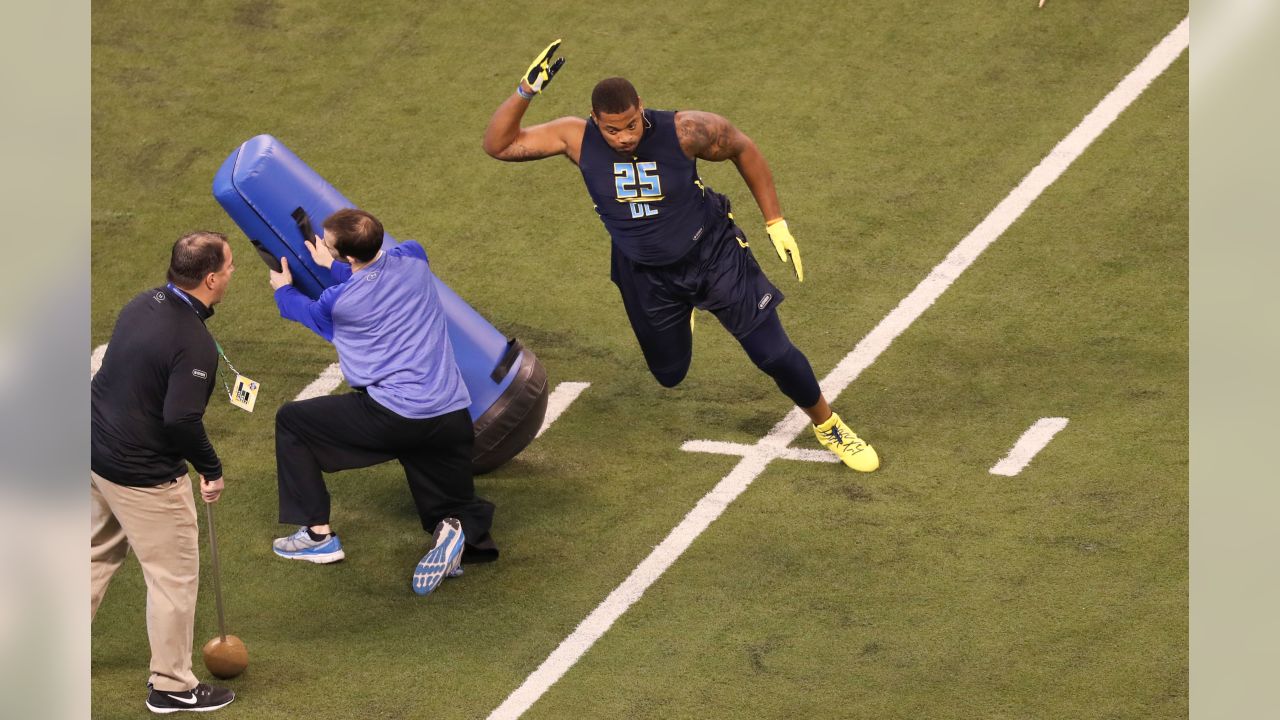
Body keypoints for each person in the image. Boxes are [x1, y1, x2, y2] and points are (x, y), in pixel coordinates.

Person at [482, 41, 879, 472]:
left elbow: (743, 148)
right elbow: (499, 145)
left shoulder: (685, 130)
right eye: (612, 130)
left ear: (642, 108)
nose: (624, 137)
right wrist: (526, 91)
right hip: (645, 274)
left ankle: (829, 425)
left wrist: (775, 221)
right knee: (669, 374)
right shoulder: (575, 137)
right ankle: (684, 310)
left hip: (713, 254)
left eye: (631, 125)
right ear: (596, 121)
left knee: (773, 353)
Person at [267, 208, 498, 596]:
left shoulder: (339, 303)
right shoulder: (414, 257)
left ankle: (317, 536)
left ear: (348, 256)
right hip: (451, 416)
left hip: (394, 417)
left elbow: (302, 310)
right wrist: (335, 266)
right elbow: (377, 274)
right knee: (451, 500)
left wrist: (283, 287)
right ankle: (453, 530)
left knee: (292, 420)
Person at [91, 231, 238, 714]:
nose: (234, 273)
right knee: (173, 579)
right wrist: (211, 470)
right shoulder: (193, 342)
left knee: (93, 554)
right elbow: (180, 420)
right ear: (211, 278)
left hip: (95, 456)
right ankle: (171, 685)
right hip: (142, 476)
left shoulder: (142, 302)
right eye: (231, 267)